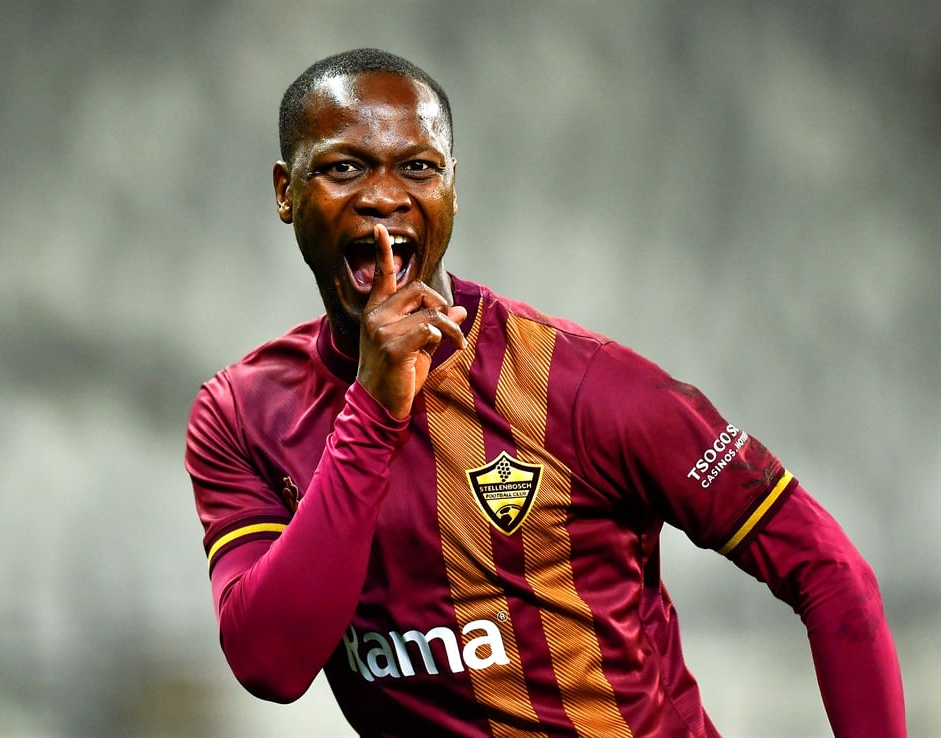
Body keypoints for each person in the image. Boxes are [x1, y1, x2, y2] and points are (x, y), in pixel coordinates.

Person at [185, 48, 905, 737]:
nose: (383, 197)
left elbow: (830, 571)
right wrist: (374, 411)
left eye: (418, 168)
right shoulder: (242, 414)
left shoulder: (590, 387)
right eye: (344, 167)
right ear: (286, 191)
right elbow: (270, 664)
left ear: (452, 189)